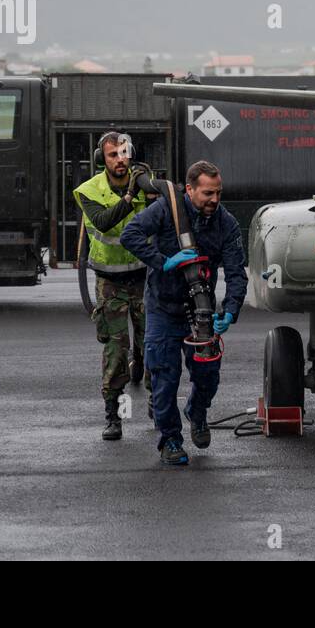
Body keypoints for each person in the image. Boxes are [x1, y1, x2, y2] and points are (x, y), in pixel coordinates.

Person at [120, 160, 247, 466]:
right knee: (164, 378)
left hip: (199, 311)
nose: (214, 200)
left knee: (208, 377)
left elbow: (236, 274)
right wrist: (163, 261)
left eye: (218, 193)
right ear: (189, 190)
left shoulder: (225, 223)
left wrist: (229, 311)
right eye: (207, 193)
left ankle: (197, 412)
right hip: (163, 307)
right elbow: (130, 235)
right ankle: (171, 440)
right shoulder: (166, 210)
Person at [73, 131, 150, 441]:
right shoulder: (88, 190)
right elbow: (103, 222)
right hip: (111, 282)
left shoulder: (146, 181)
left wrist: (148, 186)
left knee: (153, 347)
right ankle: (115, 417)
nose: (120, 160)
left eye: (123, 153)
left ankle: (158, 408)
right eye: (112, 155)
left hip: (145, 278)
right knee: (116, 351)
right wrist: (131, 197)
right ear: (100, 160)